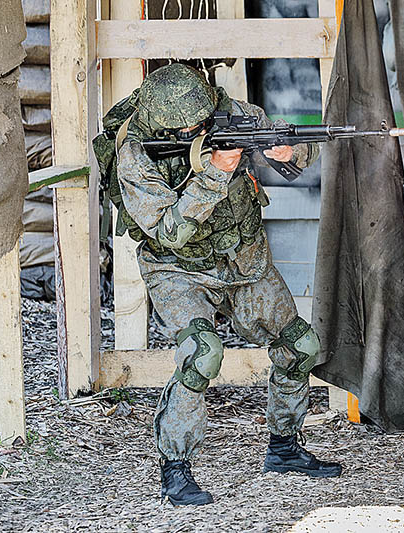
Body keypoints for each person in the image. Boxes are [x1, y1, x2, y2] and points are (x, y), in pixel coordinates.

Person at [111, 63, 342, 505]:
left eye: (204, 119)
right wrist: (216, 172)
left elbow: (297, 144)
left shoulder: (230, 113)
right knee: (203, 355)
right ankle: (175, 468)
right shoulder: (135, 152)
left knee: (301, 346)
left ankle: (284, 447)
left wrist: (288, 152)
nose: (202, 126)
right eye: (191, 126)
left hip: (243, 261)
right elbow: (169, 233)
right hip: (176, 269)